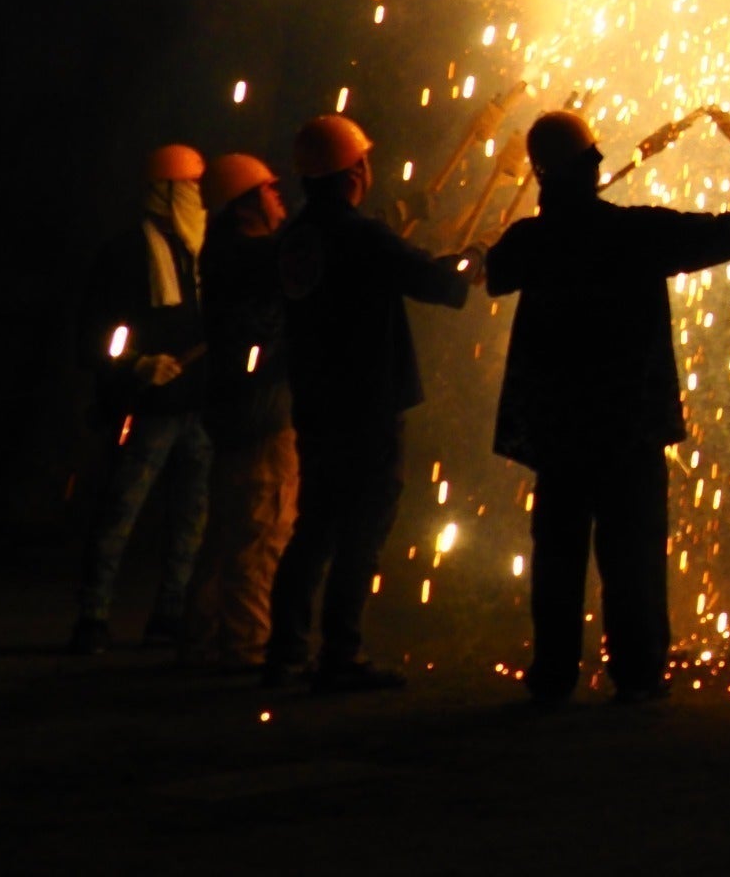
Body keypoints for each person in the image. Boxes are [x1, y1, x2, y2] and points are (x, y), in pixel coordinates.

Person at [487, 109, 730, 705]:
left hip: (557, 432)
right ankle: (637, 674)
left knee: (557, 556)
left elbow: (493, 270)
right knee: (632, 554)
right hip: (627, 427)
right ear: (592, 165)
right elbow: (721, 234)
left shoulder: (529, 241)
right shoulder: (633, 233)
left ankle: (553, 674)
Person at [262, 114, 473, 692]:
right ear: (355, 171)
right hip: (367, 406)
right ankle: (340, 655)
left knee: (315, 527)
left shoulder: (298, 238)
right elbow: (434, 282)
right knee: (361, 530)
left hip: (317, 403)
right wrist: (469, 264)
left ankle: (285, 653)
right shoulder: (360, 236)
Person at [71, 145, 216, 653]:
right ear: (167, 192)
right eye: (191, 188)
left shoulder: (202, 253)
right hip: (147, 408)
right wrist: (136, 363)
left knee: (191, 517)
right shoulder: (126, 252)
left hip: (198, 405)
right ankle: (93, 616)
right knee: (119, 512)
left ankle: (169, 614)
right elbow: (94, 334)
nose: (199, 199)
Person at [184, 154, 299, 668]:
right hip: (261, 415)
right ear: (247, 203)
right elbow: (307, 253)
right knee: (260, 532)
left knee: (226, 532)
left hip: (234, 413)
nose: (280, 198)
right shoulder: (251, 256)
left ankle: (202, 637)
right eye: (270, 190)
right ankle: (247, 646)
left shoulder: (225, 254)